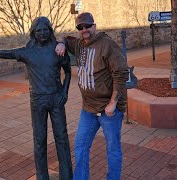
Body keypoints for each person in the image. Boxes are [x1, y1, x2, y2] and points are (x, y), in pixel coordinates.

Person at [0, 17, 73, 180]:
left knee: (62, 139)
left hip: (57, 99)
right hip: (38, 101)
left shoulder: (58, 50)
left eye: (45, 30)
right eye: (38, 30)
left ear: (50, 31)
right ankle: (42, 177)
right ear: (33, 34)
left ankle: (67, 176)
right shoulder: (27, 52)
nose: (42, 33)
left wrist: (64, 92)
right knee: (40, 141)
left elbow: (68, 71)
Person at [55, 12, 129, 180]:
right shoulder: (79, 44)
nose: (84, 29)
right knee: (80, 147)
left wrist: (112, 103)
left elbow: (121, 74)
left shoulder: (107, 45)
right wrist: (61, 43)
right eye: (80, 27)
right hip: (88, 109)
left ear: (94, 26)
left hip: (108, 111)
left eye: (87, 26)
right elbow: (64, 38)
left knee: (113, 149)